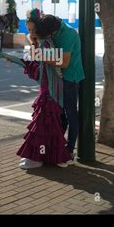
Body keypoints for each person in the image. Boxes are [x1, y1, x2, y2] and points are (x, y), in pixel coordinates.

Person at [16, 9, 72, 169]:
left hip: (50, 89)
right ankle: (52, 157)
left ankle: (41, 158)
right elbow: (41, 68)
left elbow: (43, 70)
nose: (31, 33)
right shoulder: (43, 43)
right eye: (29, 30)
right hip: (48, 88)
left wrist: (27, 62)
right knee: (48, 124)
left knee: (45, 122)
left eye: (34, 30)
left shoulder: (45, 44)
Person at [35, 15, 85, 161]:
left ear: (52, 31)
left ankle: (69, 149)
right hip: (59, 79)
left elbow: (64, 63)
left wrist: (43, 57)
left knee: (70, 113)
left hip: (71, 78)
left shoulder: (68, 34)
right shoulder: (54, 31)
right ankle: (58, 145)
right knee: (60, 113)